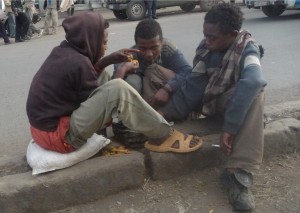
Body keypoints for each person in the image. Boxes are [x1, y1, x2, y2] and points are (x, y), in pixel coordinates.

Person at [26, 12, 203, 155]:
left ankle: (100, 137)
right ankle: (164, 135)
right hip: (59, 137)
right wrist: (120, 71)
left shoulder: (65, 53)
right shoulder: (79, 64)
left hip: (43, 129)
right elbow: (106, 100)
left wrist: (107, 61)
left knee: (104, 79)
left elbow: (93, 89)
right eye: (103, 42)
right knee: (117, 88)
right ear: (90, 40)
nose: (105, 47)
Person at [156, 3, 267, 211]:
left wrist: (230, 127)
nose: (207, 41)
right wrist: (162, 115)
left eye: (212, 37)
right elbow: (192, 86)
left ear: (233, 34)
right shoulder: (207, 50)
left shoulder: (247, 49)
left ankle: (238, 177)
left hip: (236, 108)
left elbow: (253, 81)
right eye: (205, 35)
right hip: (212, 104)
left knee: (256, 92)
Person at [114, 19, 192, 110]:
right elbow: (115, 86)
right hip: (143, 94)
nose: (149, 54)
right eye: (143, 49)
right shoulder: (132, 55)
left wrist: (167, 89)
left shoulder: (167, 48)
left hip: (168, 90)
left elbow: (187, 72)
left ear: (161, 43)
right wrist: (123, 68)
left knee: (155, 70)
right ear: (136, 45)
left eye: (154, 48)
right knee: (132, 81)